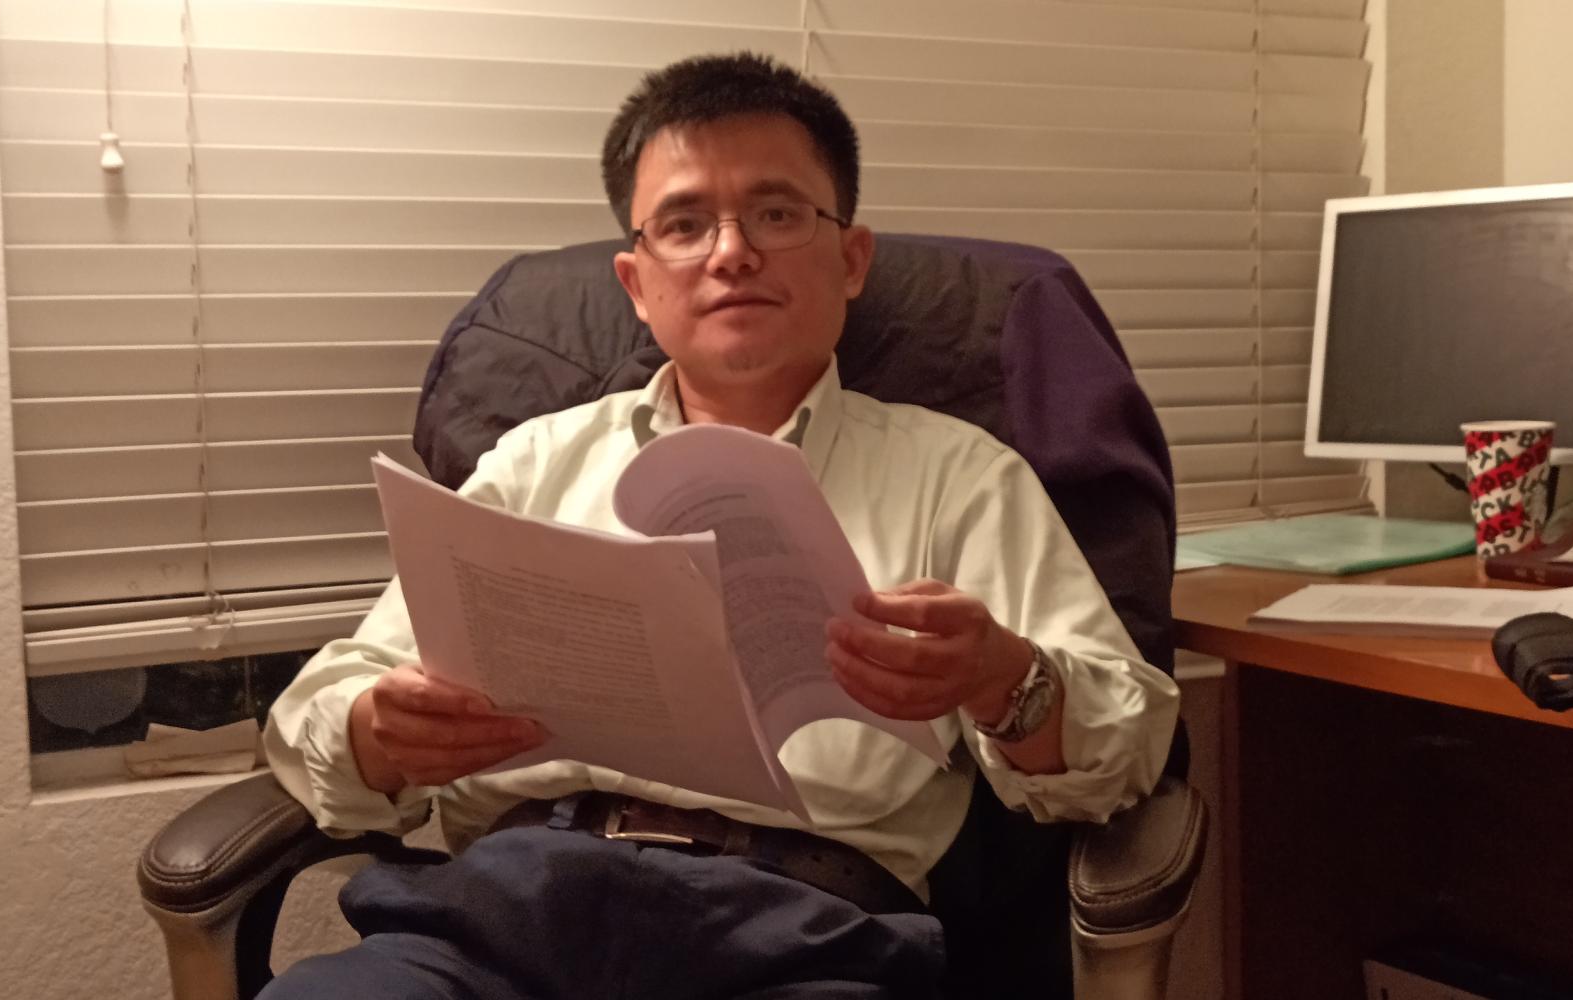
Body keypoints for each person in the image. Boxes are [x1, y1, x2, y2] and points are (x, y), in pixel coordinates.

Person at [261, 52, 1179, 999]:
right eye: (685, 224)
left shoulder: (962, 477)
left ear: (851, 259)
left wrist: (1004, 680)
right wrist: (380, 732)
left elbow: (1130, 751)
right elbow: (315, 720)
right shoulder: (534, 463)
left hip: (803, 933)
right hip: (500, 917)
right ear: (635, 282)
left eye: (777, 214)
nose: (731, 252)